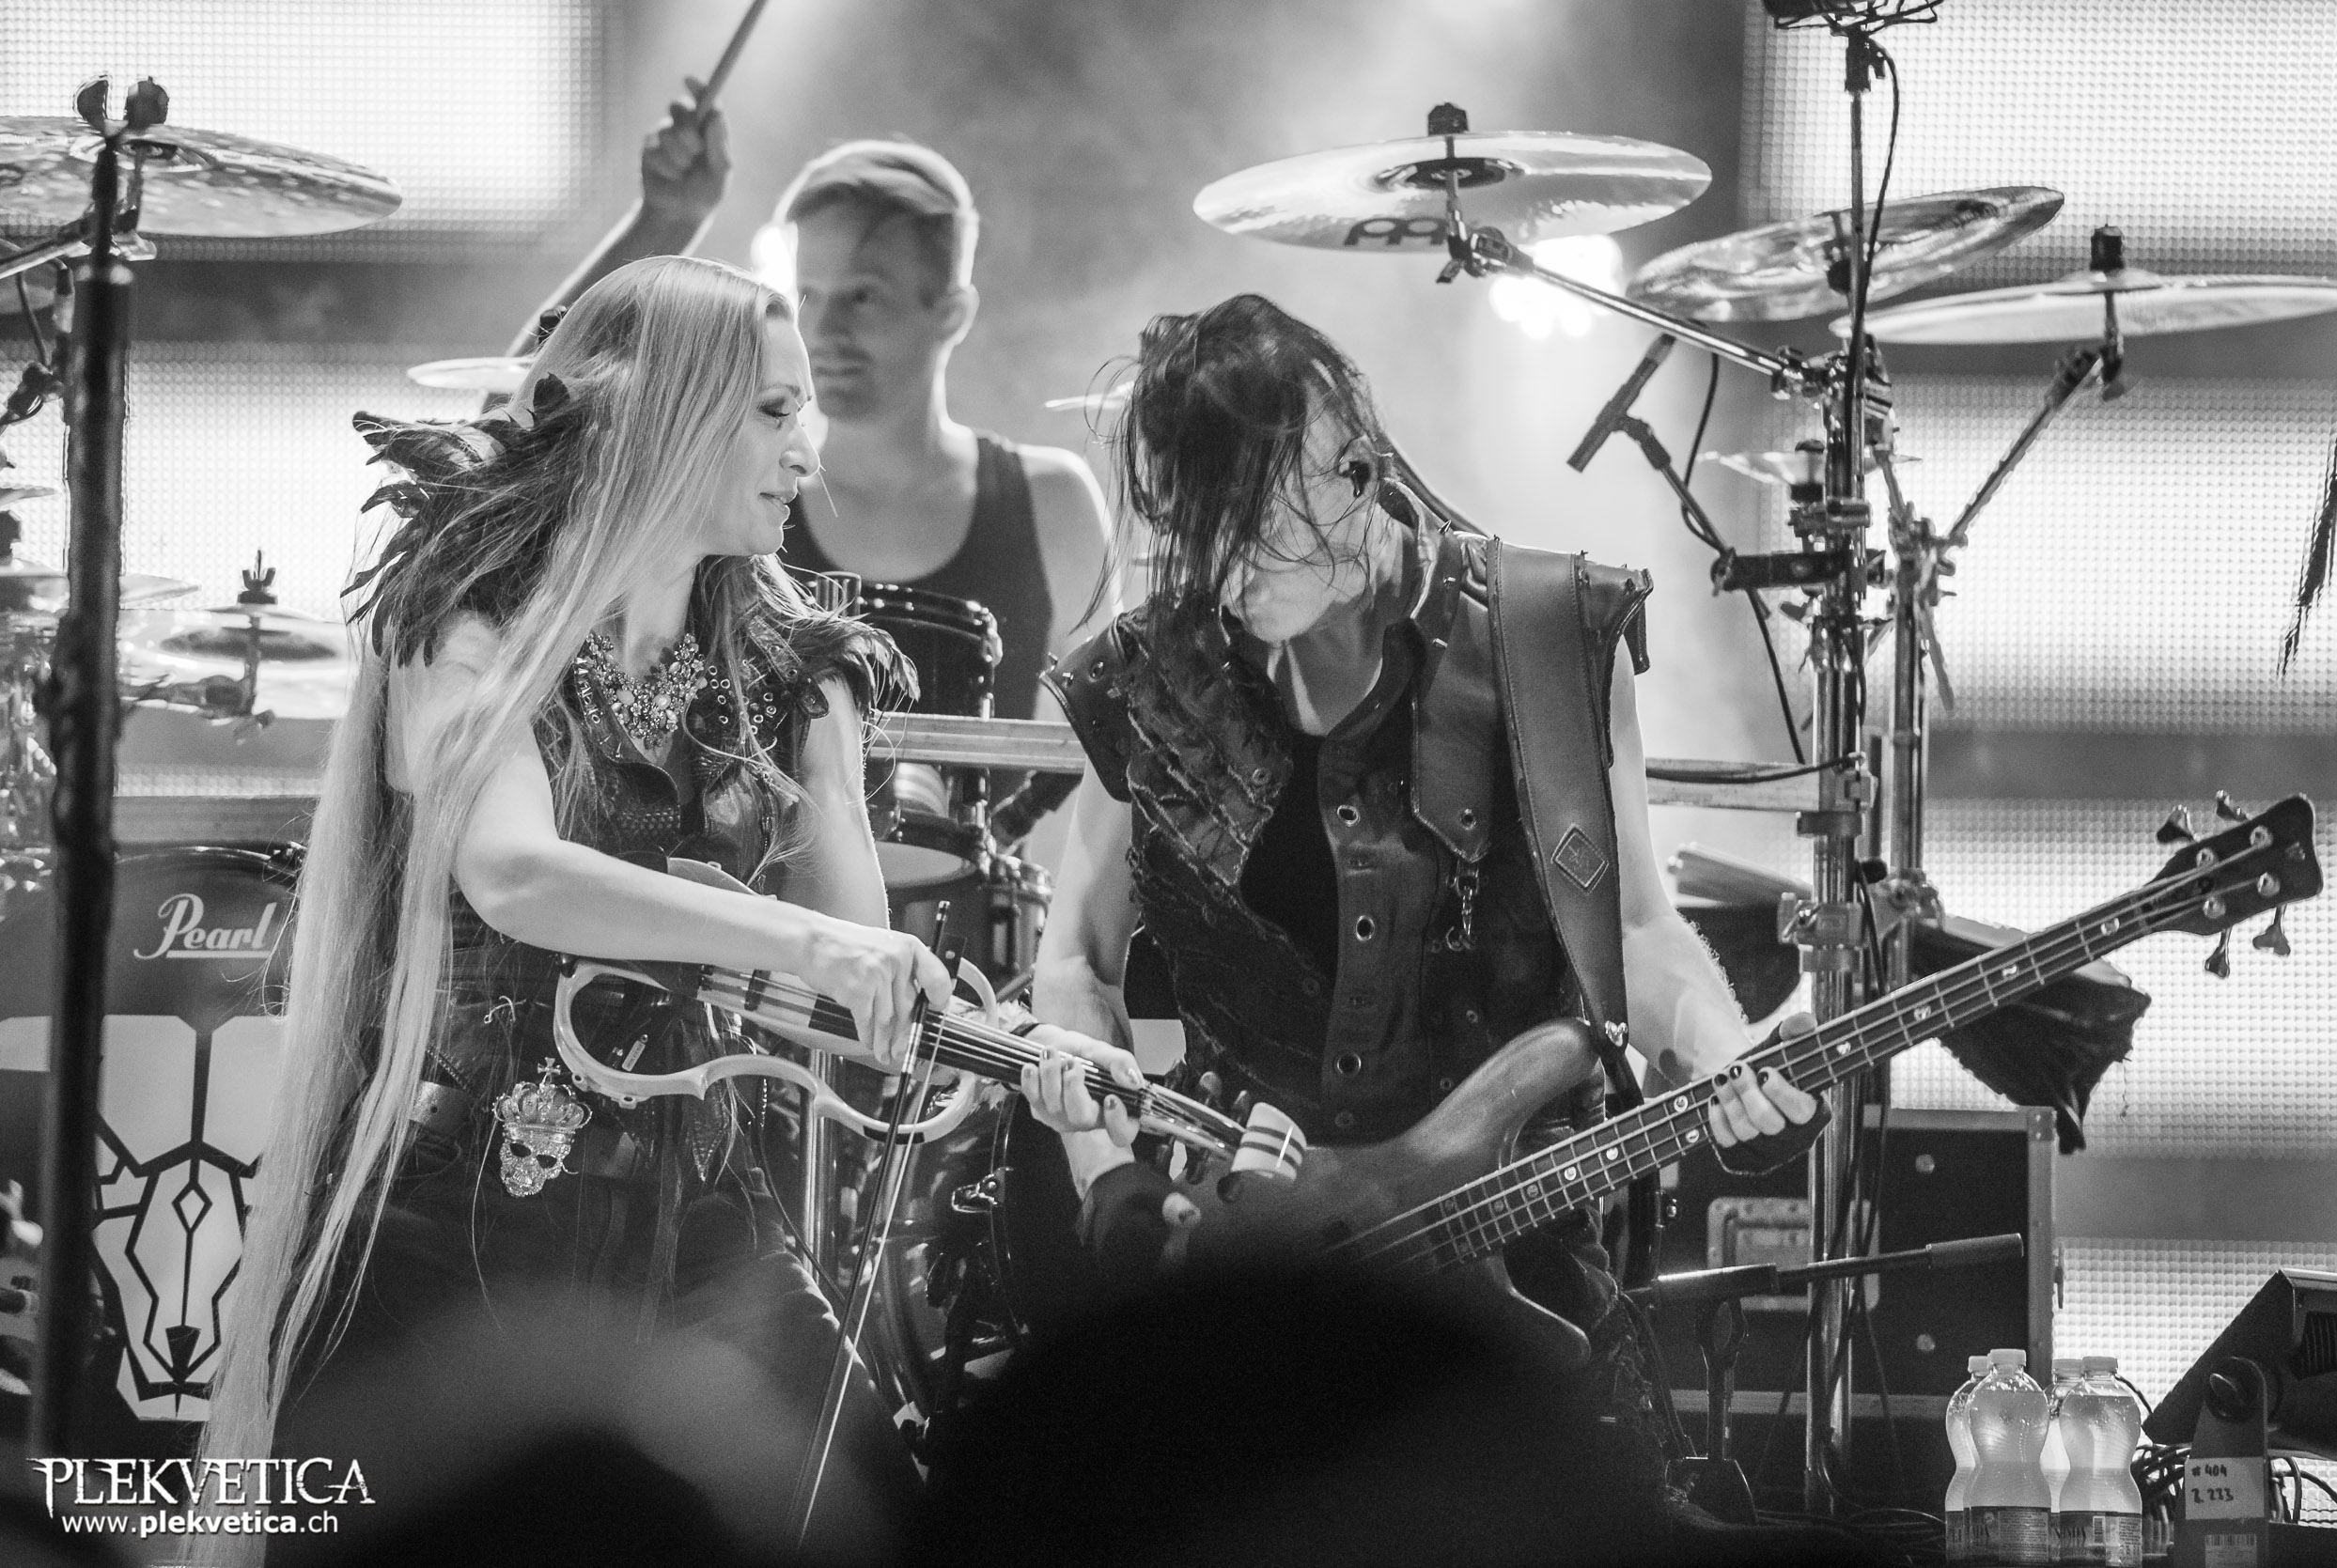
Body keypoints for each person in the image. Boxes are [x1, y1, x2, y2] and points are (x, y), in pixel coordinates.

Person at [195, 256, 1124, 1564]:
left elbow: (848, 984)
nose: (809, 450)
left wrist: (1014, 1053)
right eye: (773, 410)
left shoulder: (801, 671)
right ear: (666, 414)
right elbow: (512, 871)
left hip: (696, 1205)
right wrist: (806, 939)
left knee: (870, 1511)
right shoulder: (471, 614)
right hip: (456, 1202)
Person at [1016, 294, 1830, 1487]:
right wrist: (1109, 1175)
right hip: (1245, 1259)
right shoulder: (1151, 672)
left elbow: (1634, 930)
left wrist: (1724, 1061)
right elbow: (1075, 959)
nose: (1221, 569)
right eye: (1194, 526)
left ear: (1353, 465)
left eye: (1252, 522)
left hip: (1509, 1279)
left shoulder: (1548, 635)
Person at [518, 92, 1114, 726]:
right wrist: (663, 221)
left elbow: (1102, 761)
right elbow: (522, 436)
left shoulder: (1054, 505)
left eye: (862, 296)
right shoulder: (734, 494)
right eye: (808, 294)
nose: (823, 330)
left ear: (952, 313)